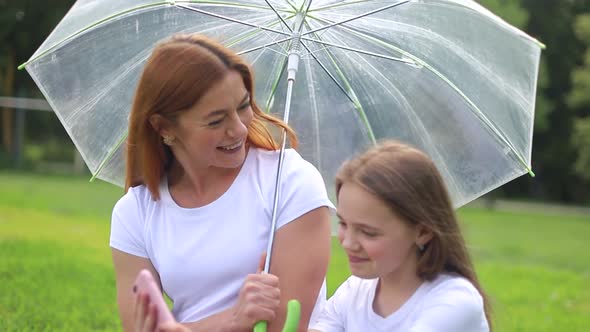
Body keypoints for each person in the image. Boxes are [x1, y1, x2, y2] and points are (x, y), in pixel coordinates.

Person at [109, 33, 333, 332]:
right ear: (164, 127)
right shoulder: (134, 212)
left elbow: (285, 325)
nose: (239, 129)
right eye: (216, 121)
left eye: (243, 106)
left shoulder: (290, 181)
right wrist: (233, 320)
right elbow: (138, 328)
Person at [308, 140, 492, 332]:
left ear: (422, 232)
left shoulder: (455, 302)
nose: (347, 242)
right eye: (343, 224)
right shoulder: (355, 290)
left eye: (368, 232)